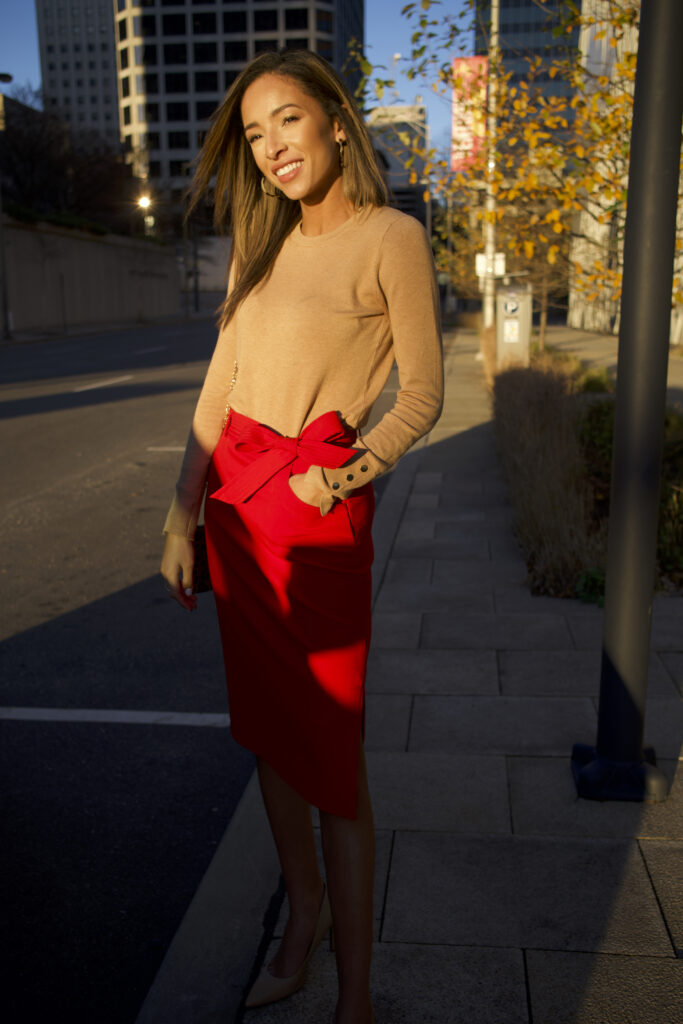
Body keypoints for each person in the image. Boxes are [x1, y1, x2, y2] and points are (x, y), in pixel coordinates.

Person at [160, 49, 443, 1024]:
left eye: (286, 119)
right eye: (252, 133)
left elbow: (422, 393)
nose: (271, 145)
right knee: (271, 741)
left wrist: (346, 474)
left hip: (317, 520)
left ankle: (354, 993)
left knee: (331, 755)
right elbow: (220, 383)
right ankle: (300, 919)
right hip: (237, 510)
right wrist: (181, 508)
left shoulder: (390, 236)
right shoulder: (259, 243)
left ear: (332, 117)